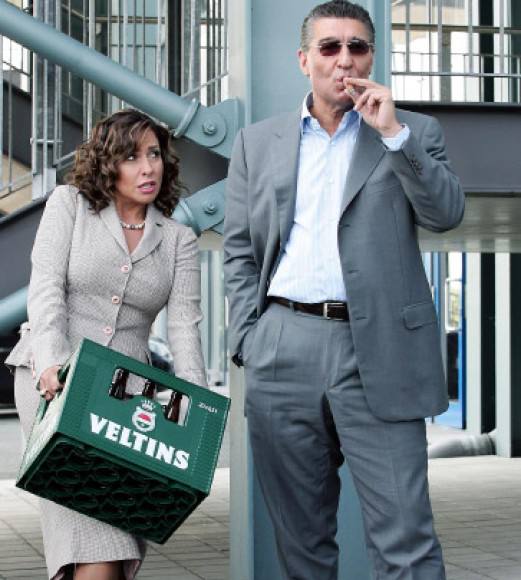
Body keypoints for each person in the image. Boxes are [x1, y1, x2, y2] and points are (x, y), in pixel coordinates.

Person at [223, 1, 464, 579]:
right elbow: (239, 249)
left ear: (371, 57)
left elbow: (446, 214)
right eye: (329, 47)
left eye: (357, 47)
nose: (344, 60)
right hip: (282, 348)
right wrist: (251, 339)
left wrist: (394, 135)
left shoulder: (413, 132)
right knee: (301, 544)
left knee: (406, 538)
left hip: (380, 351)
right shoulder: (258, 142)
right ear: (304, 59)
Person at [6, 109, 207, 580]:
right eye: (132, 157)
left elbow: (185, 330)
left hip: (125, 404)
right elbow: (46, 288)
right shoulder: (69, 206)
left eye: (154, 154)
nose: (148, 168)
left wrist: (196, 408)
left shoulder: (178, 240)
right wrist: (51, 361)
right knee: (100, 544)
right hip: (55, 386)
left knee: (114, 545)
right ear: (107, 163)